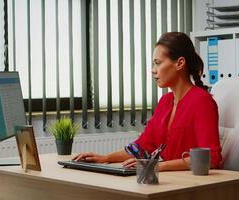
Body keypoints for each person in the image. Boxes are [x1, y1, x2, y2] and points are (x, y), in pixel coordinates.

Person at [73, 32, 222, 171]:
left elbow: (210, 158)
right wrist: (105, 158)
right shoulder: (165, 101)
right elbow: (142, 146)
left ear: (180, 63)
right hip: (168, 182)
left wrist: (157, 166)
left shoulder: (202, 101)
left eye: (158, 63)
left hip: (190, 186)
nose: (153, 70)